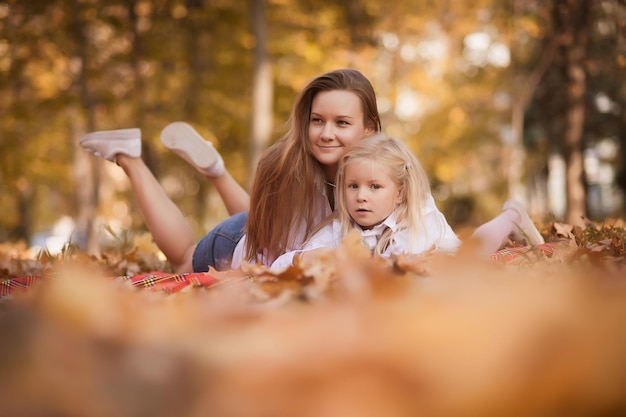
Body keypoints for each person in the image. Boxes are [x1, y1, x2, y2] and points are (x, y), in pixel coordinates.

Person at [80, 69, 380, 273]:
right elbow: (276, 255)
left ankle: (215, 169)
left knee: (262, 216)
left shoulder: (386, 172)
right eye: (317, 121)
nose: (326, 134)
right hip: (237, 244)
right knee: (184, 259)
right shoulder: (289, 167)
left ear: (370, 129)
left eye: (341, 123)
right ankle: (130, 157)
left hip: (265, 228)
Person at [271, 133, 461, 270]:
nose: (361, 196)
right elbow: (277, 268)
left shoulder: (419, 220)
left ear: (399, 194)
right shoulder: (340, 227)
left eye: (375, 187)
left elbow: (401, 274)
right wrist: (306, 257)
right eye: (353, 186)